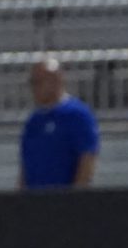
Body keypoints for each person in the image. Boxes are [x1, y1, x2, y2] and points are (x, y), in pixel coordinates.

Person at [20, 58, 100, 188]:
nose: (33, 88)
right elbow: (25, 166)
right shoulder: (33, 121)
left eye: (38, 82)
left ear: (55, 81)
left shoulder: (77, 115)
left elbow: (87, 159)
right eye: (32, 83)